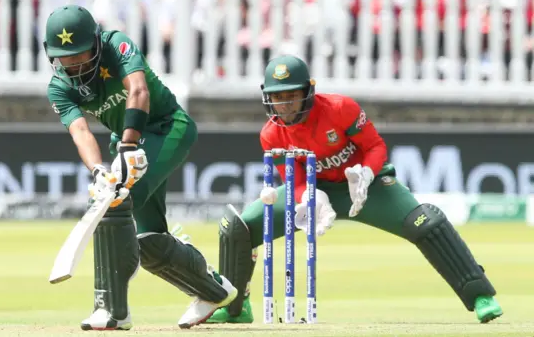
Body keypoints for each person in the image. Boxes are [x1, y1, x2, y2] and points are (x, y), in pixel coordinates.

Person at [206, 54, 503, 324]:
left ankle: (479, 296)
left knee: (426, 222)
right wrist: (310, 197)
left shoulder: (340, 108)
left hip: (365, 185)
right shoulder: (272, 134)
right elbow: (294, 181)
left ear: (308, 92)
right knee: (238, 228)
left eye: (291, 97)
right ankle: (235, 306)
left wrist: (366, 173)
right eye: (277, 98)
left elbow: (375, 146)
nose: (284, 106)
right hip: (315, 189)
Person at [44, 4, 237, 331]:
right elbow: (80, 131)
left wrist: (129, 146)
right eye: (65, 58)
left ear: (95, 42)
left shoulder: (117, 45)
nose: (74, 65)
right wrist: (97, 171)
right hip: (125, 142)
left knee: (115, 202)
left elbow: (139, 89)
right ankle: (214, 291)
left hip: (166, 126)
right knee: (147, 239)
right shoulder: (59, 88)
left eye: (80, 55)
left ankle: (111, 310)